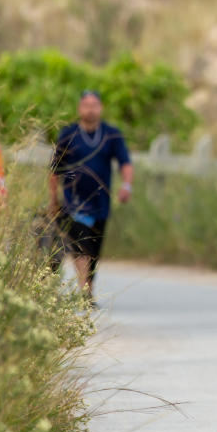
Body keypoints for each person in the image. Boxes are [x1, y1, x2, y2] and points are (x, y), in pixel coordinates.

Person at [49, 90, 133, 303]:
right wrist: (53, 199)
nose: (90, 109)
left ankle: (88, 287)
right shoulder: (68, 134)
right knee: (81, 243)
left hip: (101, 201)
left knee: (95, 246)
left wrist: (127, 186)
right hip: (73, 200)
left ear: (101, 108)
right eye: (86, 105)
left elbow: (125, 162)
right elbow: (55, 169)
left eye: (94, 105)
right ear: (79, 108)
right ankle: (85, 290)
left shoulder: (111, 135)